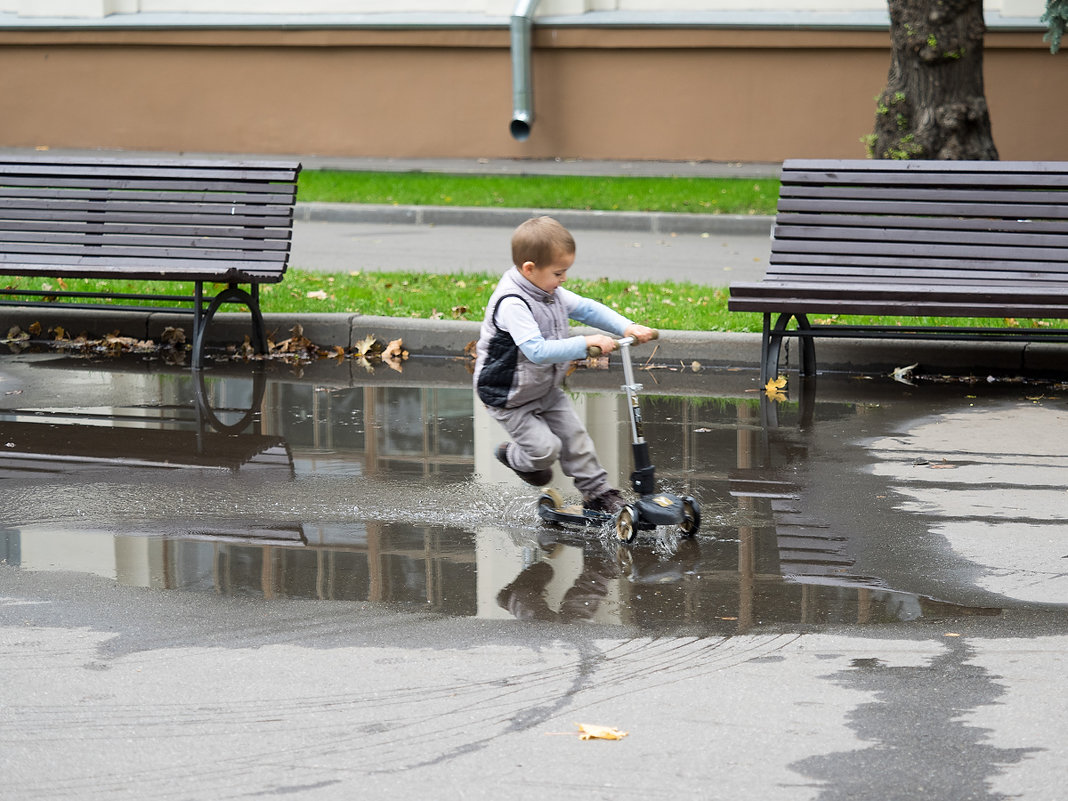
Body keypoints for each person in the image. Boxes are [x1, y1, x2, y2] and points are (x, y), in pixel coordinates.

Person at [473, 215, 656, 514]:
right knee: (546, 450)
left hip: (544, 387)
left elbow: (585, 308)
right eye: (559, 272)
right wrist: (585, 343)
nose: (564, 279)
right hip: (508, 396)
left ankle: (599, 495)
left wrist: (626, 327)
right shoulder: (513, 303)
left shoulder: (548, 290)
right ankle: (515, 457)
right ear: (529, 269)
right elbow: (536, 351)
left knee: (576, 439)